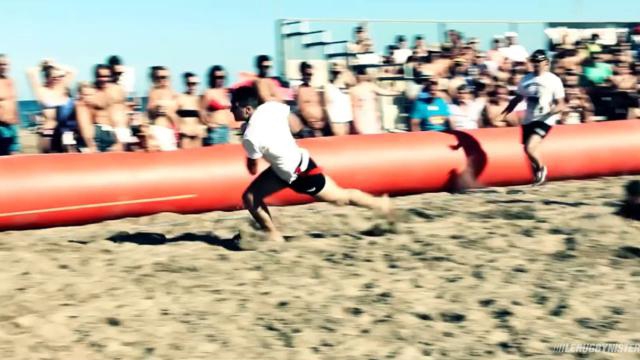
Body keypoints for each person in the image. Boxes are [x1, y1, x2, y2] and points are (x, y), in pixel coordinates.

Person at [232, 86, 393, 243]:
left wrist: (249, 138)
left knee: (340, 198)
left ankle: (379, 205)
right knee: (250, 197)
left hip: (300, 175)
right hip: (292, 165)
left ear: (247, 109)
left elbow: (252, 168)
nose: (231, 110)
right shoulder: (271, 107)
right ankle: (272, 235)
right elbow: (295, 124)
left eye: (234, 106)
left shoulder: (250, 136)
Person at [501, 49, 566, 186]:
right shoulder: (525, 80)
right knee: (527, 150)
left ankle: (542, 169)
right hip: (528, 119)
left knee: (530, 148)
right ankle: (539, 178)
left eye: (539, 61)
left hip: (545, 119)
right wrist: (504, 114)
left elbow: (561, 104)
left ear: (546, 63)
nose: (536, 64)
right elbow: (517, 99)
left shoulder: (554, 80)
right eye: (534, 61)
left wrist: (551, 112)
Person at [26, 59, 76, 153]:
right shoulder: (42, 91)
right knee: (48, 160)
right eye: (53, 77)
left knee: (69, 160)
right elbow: (30, 73)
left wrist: (56, 65)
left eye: (60, 77)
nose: (57, 79)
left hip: (66, 132)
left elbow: (72, 71)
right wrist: (41, 65)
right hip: (48, 131)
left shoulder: (63, 89)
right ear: (47, 77)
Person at [350, 66, 399, 134]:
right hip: (365, 114)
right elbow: (385, 92)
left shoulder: (353, 89)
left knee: (366, 133)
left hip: (364, 114)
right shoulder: (368, 86)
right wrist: (397, 92)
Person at [201, 65, 236, 145]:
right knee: (213, 155)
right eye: (217, 77)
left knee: (226, 155)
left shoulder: (226, 92)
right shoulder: (208, 92)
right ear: (212, 78)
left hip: (227, 129)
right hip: (215, 130)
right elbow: (201, 111)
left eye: (222, 77)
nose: (220, 79)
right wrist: (208, 124)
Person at [146, 66, 179, 151]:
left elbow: (174, 113)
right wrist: (157, 110)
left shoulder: (173, 93)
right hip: (160, 130)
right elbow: (149, 113)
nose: (162, 79)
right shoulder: (154, 91)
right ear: (155, 78)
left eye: (165, 77)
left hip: (171, 131)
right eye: (159, 77)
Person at [296, 62, 330, 137]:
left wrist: (323, 120)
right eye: (306, 74)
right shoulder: (299, 90)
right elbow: (301, 109)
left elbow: (322, 105)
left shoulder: (314, 89)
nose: (308, 77)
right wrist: (312, 121)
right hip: (311, 125)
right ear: (302, 74)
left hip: (322, 124)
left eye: (310, 74)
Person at [324, 62, 354, 136]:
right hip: (336, 119)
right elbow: (327, 105)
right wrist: (330, 122)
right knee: (341, 140)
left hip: (346, 118)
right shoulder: (329, 87)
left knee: (346, 140)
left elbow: (352, 81)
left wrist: (345, 70)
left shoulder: (348, 86)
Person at [176, 72, 204, 148]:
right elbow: (174, 116)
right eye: (190, 83)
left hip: (197, 137)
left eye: (195, 83)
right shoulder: (180, 98)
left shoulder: (200, 99)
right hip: (185, 137)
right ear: (185, 84)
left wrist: (201, 129)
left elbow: (203, 119)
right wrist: (180, 130)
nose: (192, 86)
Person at [0, 54, 19, 155]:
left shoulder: (11, 81)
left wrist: (18, 122)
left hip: (12, 126)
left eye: (6, 64)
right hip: (1, 126)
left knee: (14, 155)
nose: (4, 67)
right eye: (1, 64)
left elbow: (13, 102)